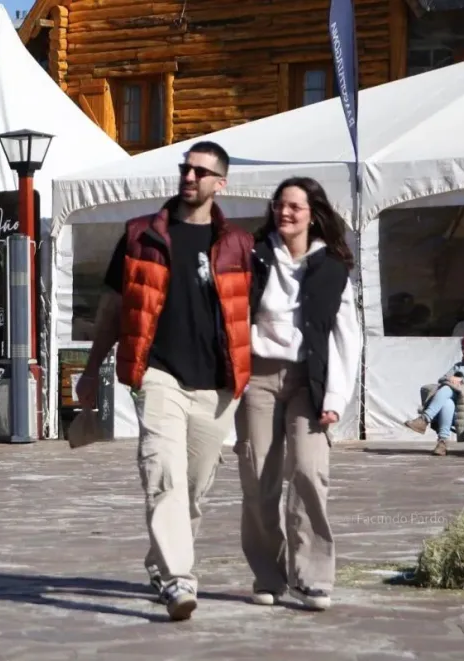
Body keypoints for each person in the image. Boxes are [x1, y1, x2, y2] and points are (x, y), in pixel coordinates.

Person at [74, 141, 255, 622]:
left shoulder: (239, 244)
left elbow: (254, 314)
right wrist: (93, 367)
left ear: (221, 183)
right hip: (157, 374)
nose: (190, 176)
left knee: (193, 488)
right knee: (163, 476)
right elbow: (112, 307)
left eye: (201, 171)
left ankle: (159, 562)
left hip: (217, 383)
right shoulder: (140, 236)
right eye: (186, 168)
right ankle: (179, 579)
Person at [237, 177, 360, 612]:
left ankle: (312, 577)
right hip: (260, 376)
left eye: (294, 207)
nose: (285, 213)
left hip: (311, 381)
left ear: (313, 213)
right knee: (258, 477)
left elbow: (348, 335)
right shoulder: (252, 256)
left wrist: (336, 398)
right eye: (280, 205)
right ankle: (268, 575)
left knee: (309, 471)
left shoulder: (332, 267)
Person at [404, 334, 464, 456]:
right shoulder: (458, 366)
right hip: (454, 399)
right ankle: (441, 441)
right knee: (447, 400)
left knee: (447, 391)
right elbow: (442, 379)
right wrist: (451, 379)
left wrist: (462, 382)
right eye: (463, 348)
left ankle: (426, 422)